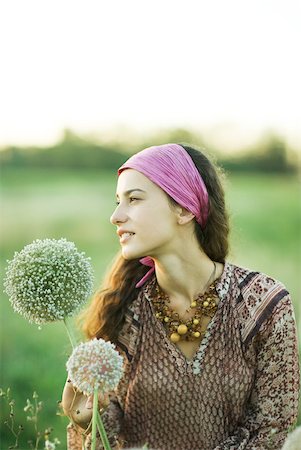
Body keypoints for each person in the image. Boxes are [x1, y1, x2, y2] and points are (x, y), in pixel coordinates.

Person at [62, 143, 300, 450]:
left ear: (185, 208)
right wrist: (89, 422)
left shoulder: (264, 306)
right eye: (118, 201)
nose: (116, 216)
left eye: (133, 199)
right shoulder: (123, 314)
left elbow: (270, 431)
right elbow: (113, 438)